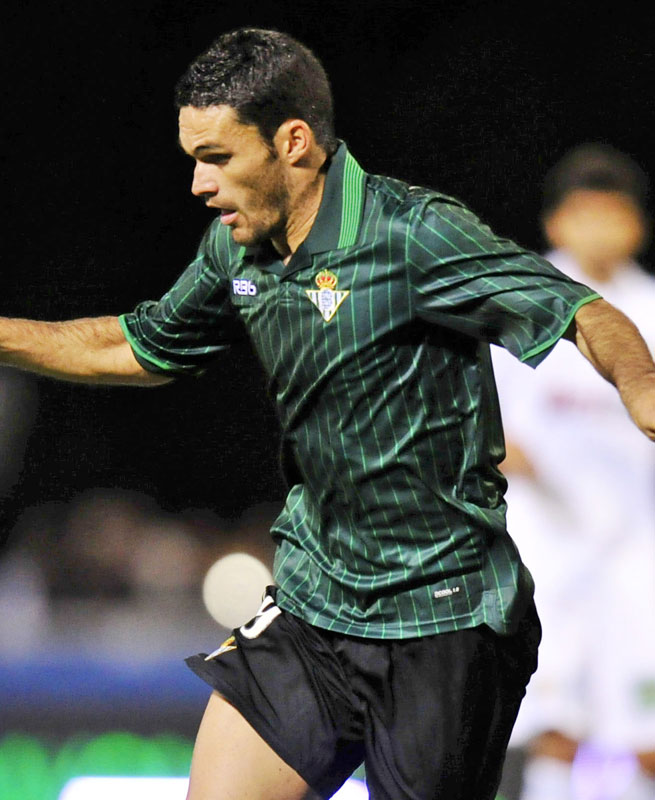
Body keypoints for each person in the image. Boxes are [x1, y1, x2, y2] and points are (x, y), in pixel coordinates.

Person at [1, 28, 655, 800]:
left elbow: (580, 311)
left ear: (293, 142)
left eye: (217, 157)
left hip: (443, 621)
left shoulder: (412, 233)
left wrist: (640, 389)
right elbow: (138, 346)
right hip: (314, 607)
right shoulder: (234, 250)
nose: (199, 185)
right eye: (193, 160)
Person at [492, 144, 655, 800]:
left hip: (633, 545)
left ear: (636, 225)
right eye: (584, 215)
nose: (599, 230)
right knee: (553, 722)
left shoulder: (649, 307)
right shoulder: (522, 297)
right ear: (556, 222)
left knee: (643, 727)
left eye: (613, 215)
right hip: (546, 544)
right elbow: (483, 418)